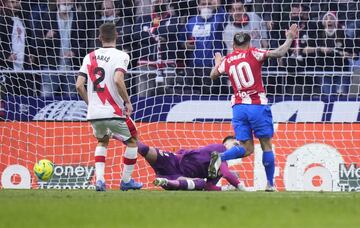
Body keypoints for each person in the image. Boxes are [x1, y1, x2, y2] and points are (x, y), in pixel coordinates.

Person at [209, 24, 299, 192]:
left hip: (238, 109)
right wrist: (290, 38)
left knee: (246, 148)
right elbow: (278, 53)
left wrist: (218, 63)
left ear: (234, 45)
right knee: (266, 144)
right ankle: (270, 184)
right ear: (249, 44)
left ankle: (220, 157)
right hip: (257, 106)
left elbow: (213, 75)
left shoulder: (228, 60)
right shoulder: (254, 52)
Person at [76, 23, 143, 191]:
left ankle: (99, 181)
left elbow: (78, 85)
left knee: (102, 140)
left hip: (94, 113)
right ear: (117, 36)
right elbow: (118, 80)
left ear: (100, 38)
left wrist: (91, 104)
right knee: (133, 140)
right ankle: (126, 181)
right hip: (114, 111)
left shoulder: (89, 56)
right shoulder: (122, 55)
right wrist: (127, 101)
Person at [120, 135, 247, 191]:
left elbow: (209, 187)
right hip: (173, 161)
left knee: (201, 184)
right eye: (235, 144)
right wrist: (239, 185)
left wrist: (224, 188)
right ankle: (118, 135)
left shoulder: (221, 166)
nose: (236, 148)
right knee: (146, 150)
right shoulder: (220, 149)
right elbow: (226, 173)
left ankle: (165, 181)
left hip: (178, 176)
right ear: (225, 143)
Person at [37, 0, 88, 97]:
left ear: (73, 3)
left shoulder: (80, 18)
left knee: (71, 96)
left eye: (68, 4)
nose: (66, 6)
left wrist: (74, 52)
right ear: (58, 2)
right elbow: (37, 41)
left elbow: (85, 41)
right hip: (51, 65)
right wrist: (46, 37)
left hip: (72, 66)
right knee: (46, 95)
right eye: (64, 4)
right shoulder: (47, 17)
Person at [132, 0, 181, 97]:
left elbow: (172, 31)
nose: (159, 3)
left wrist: (149, 32)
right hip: (145, 62)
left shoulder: (174, 19)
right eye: (157, 1)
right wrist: (158, 36)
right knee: (142, 96)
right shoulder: (143, 19)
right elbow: (136, 34)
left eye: (161, 1)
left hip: (167, 63)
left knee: (166, 96)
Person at [181, 0, 227, 94]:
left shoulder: (218, 19)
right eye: (203, 4)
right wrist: (185, 44)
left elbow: (226, 16)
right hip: (193, 67)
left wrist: (218, 6)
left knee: (212, 97)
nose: (206, 6)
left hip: (213, 67)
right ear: (198, 6)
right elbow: (181, 38)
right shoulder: (191, 21)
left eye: (209, 4)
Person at [0, 0, 38, 96]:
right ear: (5, 4)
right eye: (12, 2)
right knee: (9, 98)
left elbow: (29, 39)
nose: (16, 5)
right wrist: (5, 56)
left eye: (17, 2)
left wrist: (31, 53)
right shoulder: (2, 21)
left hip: (24, 66)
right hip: (7, 67)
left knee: (25, 97)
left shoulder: (23, 20)